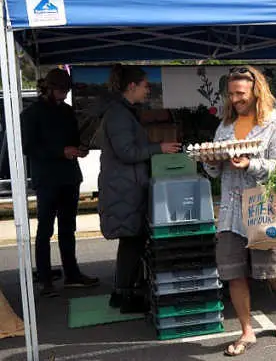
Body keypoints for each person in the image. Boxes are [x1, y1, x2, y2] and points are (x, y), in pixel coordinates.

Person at [204, 66, 276, 356]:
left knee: (273, 270)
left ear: (256, 91)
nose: (234, 99)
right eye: (231, 94)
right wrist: (211, 162)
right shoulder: (225, 126)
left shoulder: (275, 125)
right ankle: (246, 330)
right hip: (231, 210)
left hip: (262, 207)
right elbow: (214, 172)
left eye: (240, 94)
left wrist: (251, 164)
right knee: (233, 272)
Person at [98, 64, 181, 313]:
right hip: (124, 189)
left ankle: (122, 293)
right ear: (131, 86)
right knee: (131, 241)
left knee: (132, 242)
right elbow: (127, 152)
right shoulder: (118, 114)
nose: (148, 90)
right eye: (145, 85)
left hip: (127, 187)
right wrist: (160, 149)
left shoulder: (123, 112)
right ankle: (123, 295)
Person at [21, 68, 99, 297]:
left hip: (69, 177)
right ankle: (45, 279)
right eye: (60, 90)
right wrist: (61, 151)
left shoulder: (67, 111)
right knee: (44, 229)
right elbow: (28, 147)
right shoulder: (31, 114)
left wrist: (81, 149)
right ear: (47, 88)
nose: (64, 95)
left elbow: (74, 139)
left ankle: (72, 274)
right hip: (46, 179)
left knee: (68, 228)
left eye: (66, 90)